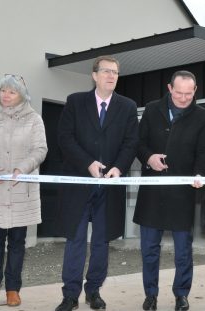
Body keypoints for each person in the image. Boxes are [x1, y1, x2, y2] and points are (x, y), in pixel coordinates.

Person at [54, 55, 139, 311]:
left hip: (109, 187)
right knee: (76, 240)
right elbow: (65, 138)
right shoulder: (75, 102)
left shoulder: (127, 106)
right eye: (106, 71)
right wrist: (88, 164)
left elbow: (131, 142)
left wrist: (118, 167)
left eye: (115, 72)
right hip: (79, 183)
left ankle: (94, 291)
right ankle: (70, 295)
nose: (111, 76)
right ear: (94, 75)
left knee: (101, 242)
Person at [133, 70, 205, 311]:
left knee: (183, 251)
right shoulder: (151, 109)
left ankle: (181, 294)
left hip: (182, 193)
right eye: (179, 93)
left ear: (195, 91)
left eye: (189, 94)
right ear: (169, 88)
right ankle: (150, 295)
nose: (183, 98)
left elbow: (204, 152)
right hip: (152, 191)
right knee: (149, 249)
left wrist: (200, 174)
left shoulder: (203, 116)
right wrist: (149, 158)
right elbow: (138, 142)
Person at [0, 74, 48, 308]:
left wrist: (22, 169)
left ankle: (13, 289)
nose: (5, 95)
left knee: (17, 242)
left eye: (11, 92)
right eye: (3, 90)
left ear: (21, 95)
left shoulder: (34, 119)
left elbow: (40, 149)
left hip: (21, 189)